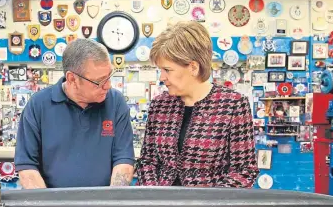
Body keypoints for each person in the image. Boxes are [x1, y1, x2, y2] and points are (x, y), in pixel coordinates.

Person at [136, 21, 258, 187]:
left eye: (167, 70)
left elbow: (244, 171)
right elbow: (147, 161)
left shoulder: (233, 105)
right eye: (160, 70)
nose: (162, 77)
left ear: (193, 67)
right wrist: (156, 198)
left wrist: (209, 205)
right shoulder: (159, 105)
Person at [15, 39, 135, 189]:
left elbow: (123, 162)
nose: (108, 86)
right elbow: (27, 168)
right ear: (72, 79)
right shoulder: (37, 105)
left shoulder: (116, 102)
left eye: (109, 76)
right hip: (52, 206)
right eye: (99, 81)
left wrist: (110, 204)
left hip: (104, 205)